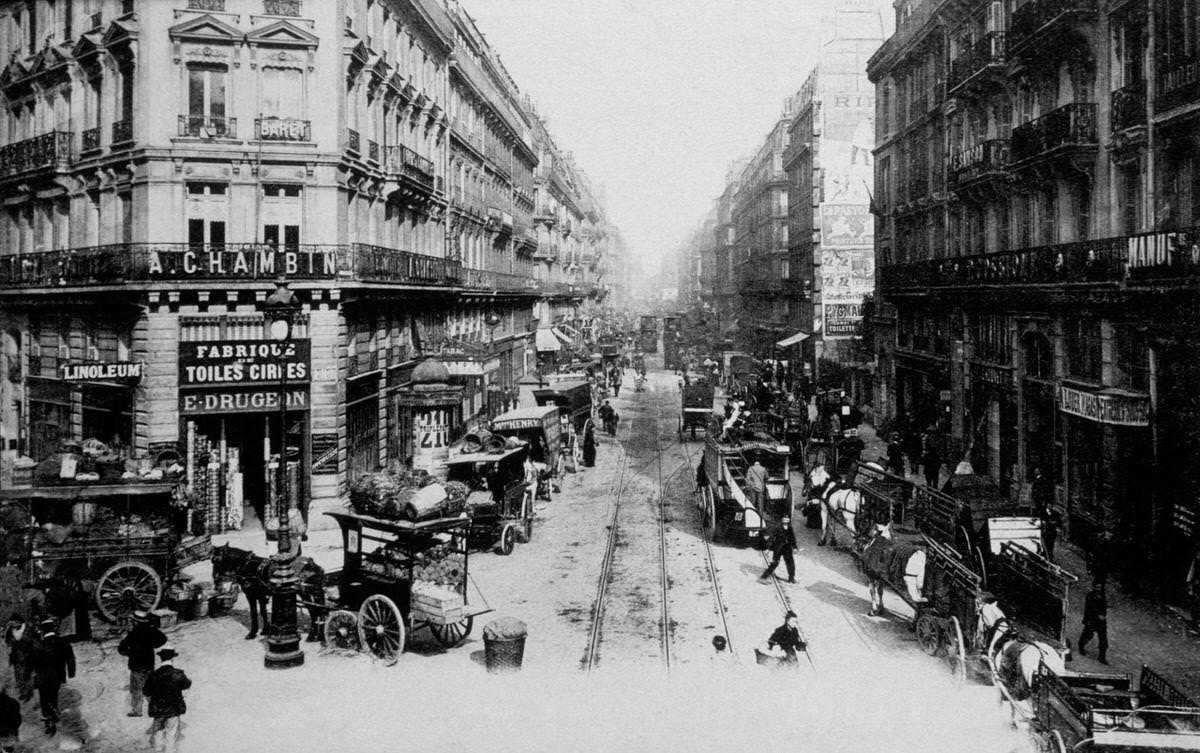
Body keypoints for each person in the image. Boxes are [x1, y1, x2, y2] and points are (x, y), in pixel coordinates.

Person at [117, 609, 167, 717]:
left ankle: (137, 710)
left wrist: (129, 653)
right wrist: (154, 645)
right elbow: (163, 639)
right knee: (150, 687)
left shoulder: (133, 634)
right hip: (149, 664)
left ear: (135, 621)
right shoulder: (151, 630)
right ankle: (156, 709)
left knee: (136, 689)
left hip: (136, 666)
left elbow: (121, 649)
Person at [30, 618, 74, 736]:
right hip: (57, 676)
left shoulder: (39, 645)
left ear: (43, 630)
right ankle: (53, 713)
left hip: (42, 678)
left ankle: (49, 719)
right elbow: (70, 658)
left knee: (44, 698)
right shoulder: (63, 642)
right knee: (53, 695)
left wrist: (31, 677)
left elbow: (32, 662)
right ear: (54, 628)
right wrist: (71, 672)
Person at [144, 647, 191, 753]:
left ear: (161, 659)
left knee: (158, 733)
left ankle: (158, 750)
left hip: (157, 709)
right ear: (172, 659)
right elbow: (187, 684)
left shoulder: (153, 675)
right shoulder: (178, 674)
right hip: (173, 709)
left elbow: (146, 691)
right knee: (172, 734)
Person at [3, 614, 32, 703]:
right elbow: (7, 641)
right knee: (18, 676)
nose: (13, 624)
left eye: (14, 622)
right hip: (16, 657)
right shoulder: (10, 630)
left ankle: (27, 693)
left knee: (26, 675)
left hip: (26, 656)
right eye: (12, 623)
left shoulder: (27, 629)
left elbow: (31, 641)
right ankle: (22, 692)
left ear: (19, 622)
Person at [1078, 580, 1108, 664]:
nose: (1098, 589)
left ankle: (1102, 657)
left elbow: (1104, 607)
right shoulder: (1090, 595)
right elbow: (1088, 609)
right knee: (1088, 635)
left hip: (1101, 621)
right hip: (1092, 619)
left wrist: (1103, 615)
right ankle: (1081, 646)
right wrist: (1088, 619)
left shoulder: (1102, 595)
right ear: (1094, 587)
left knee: (1103, 639)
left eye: (1100, 587)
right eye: (1097, 587)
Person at [760, 516, 797, 583]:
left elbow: (792, 538)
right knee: (775, 563)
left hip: (787, 548)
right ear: (782, 520)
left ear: (789, 521)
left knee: (790, 563)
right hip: (778, 548)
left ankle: (791, 578)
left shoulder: (790, 528)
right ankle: (764, 577)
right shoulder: (778, 528)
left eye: (787, 520)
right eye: (784, 520)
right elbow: (772, 538)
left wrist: (795, 547)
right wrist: (768, 548)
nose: (785, 521)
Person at [0, 686, 18, 753]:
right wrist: (15, 732)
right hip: (9, 732)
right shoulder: (14, 702)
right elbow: (17, 719)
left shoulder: (13, 703)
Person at [1188, 550, 1200, 630]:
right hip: (1197, 582)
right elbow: (1192, 570)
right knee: (1196, 601)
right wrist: (1189, 581)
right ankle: (1196, 620)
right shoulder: (1197, 558)